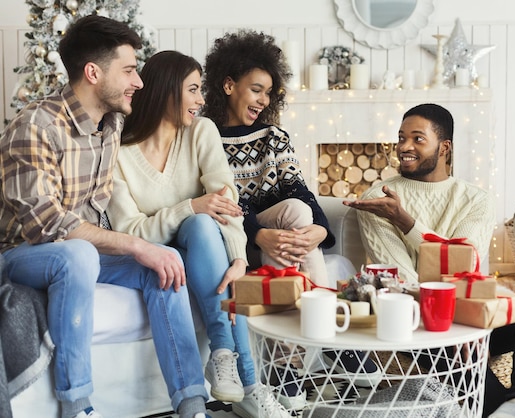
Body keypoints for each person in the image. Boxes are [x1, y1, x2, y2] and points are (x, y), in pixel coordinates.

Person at [343, 103, 515, 418]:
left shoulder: (477, 199)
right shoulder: (379, 197)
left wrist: (406, 221)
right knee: (447, 343)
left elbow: (464, 262)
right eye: (401, 137)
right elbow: (402, 283)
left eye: (417, 139)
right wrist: (458, 327)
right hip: (413, 317)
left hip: (466, 310)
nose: (404, 147)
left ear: (444, 147)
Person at [0, 16, 210, 418]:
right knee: (79, 254)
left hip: (81, 250)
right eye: (129, 70)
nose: (139, 82)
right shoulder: (36, 126)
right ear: (93, 72)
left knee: (165, 265)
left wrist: (152, 247)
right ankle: (76, 406)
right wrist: (137, 244)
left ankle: (192, 405)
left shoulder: (110, 125)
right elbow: (46, 227)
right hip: (22, 253)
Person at [201, 29, 382, 408]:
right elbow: (220, 199)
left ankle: (293, 363)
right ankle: (319, 344)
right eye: (256, 89)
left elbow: (298, 191)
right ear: (229, 85)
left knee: (299, 210)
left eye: (269, 92)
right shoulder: (204, 135)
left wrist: (318, 229)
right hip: (227, 241)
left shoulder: (273, 137)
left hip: (277, 235)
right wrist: (258, 233)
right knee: (286, 218)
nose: (263, 99)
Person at [106, 50, 291, 418]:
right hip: (154, 253)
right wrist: (189, 207)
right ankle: (251, 385)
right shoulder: (119, 151)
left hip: (206, 247)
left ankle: (224, 355)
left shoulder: (201, 131)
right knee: (200, 218)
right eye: (192, 90)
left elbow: (226, 204)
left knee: (206, 224)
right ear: (166, 91)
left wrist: (239, 258)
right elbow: (130, 231)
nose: (201, 100)